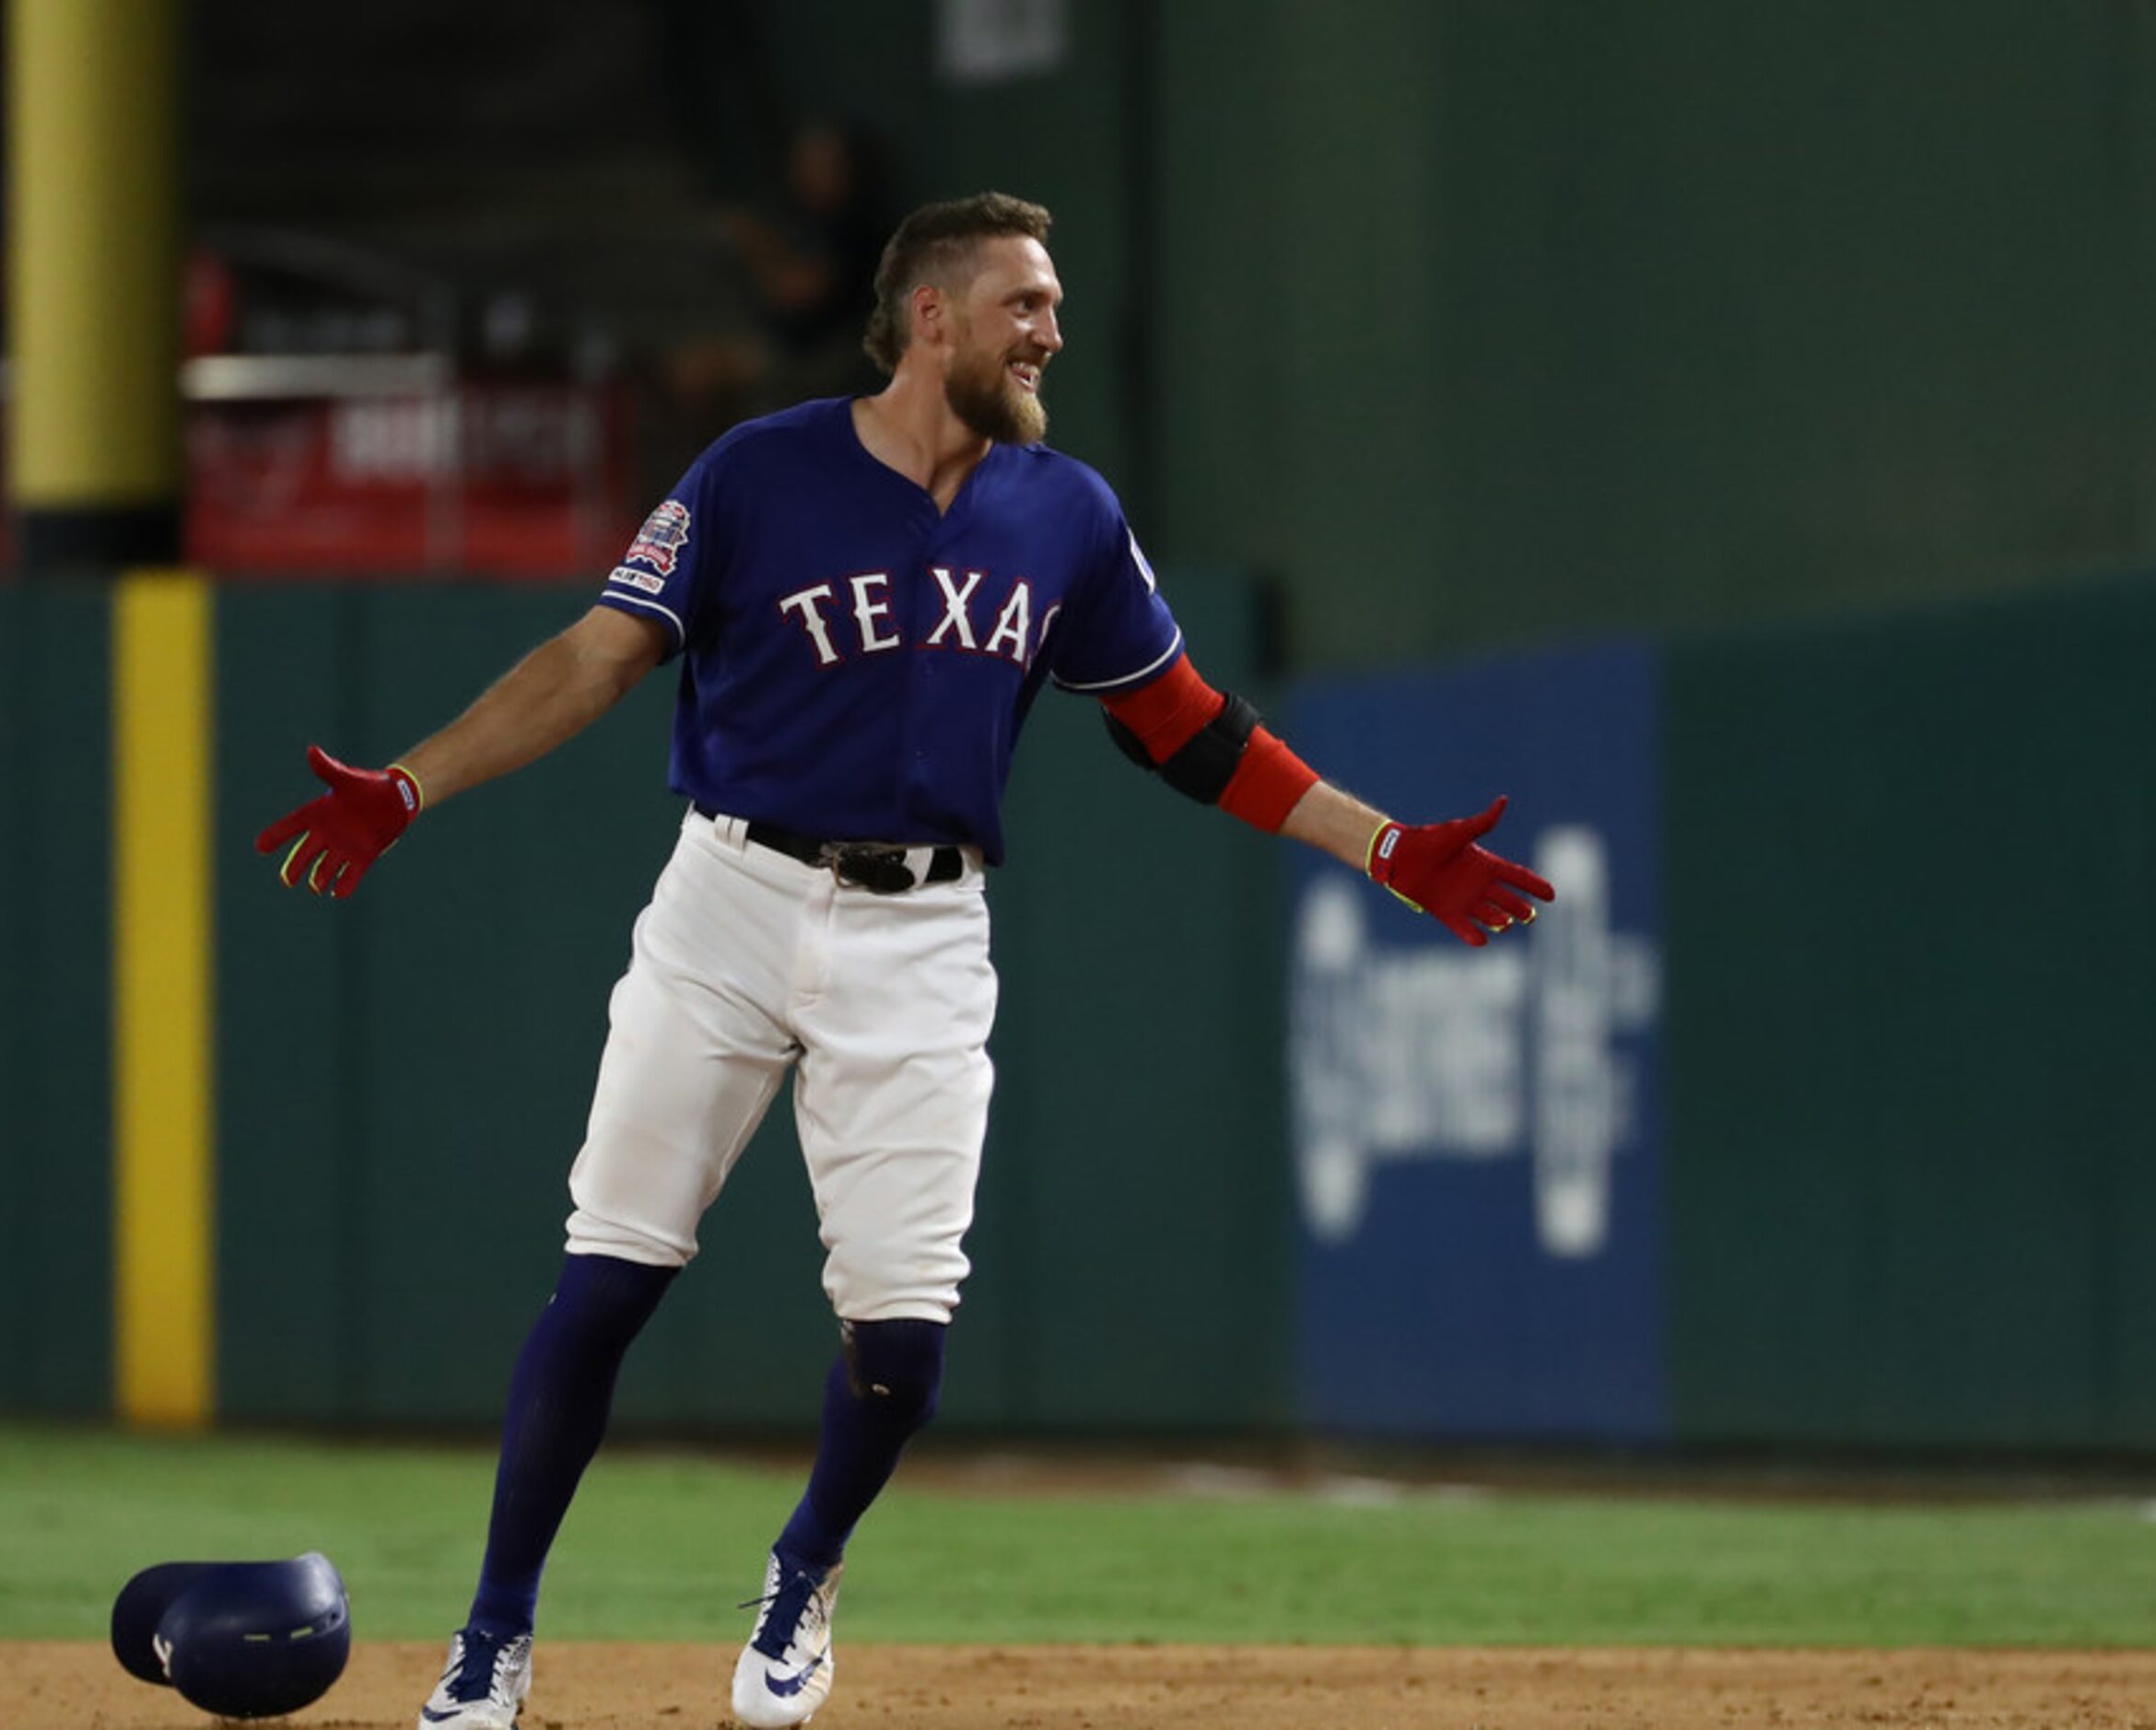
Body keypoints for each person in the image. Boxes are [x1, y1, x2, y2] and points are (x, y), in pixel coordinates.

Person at [255, 192, 1554, 1730]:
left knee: (904, 1348)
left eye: (1055, 303)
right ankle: (493, 1637)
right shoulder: (758, 471)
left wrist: (1387, 845)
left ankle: (803, 1570)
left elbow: (1192, 730)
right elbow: (596, 658)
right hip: (728, 902)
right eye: (1025, 302)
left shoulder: (1063, 510)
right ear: (931, 314)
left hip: (924, 931)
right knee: (606, 1278)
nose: (1052, 330)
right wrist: (411, 784)